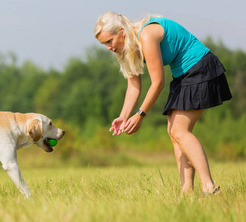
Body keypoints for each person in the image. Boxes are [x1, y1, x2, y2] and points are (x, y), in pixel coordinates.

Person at [94, 12, 232, 195]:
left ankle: (210, 187)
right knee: (174, 132)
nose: (108, 48)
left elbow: (158, 82)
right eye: (105, 44)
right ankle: (186, 191)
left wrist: (140, 114)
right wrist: (123, 116)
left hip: (200, 68)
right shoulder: (130, 47)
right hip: (183, 75)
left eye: (109, 41)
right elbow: (134, 86)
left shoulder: (147, 35)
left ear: (122, 32)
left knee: (179, 131)